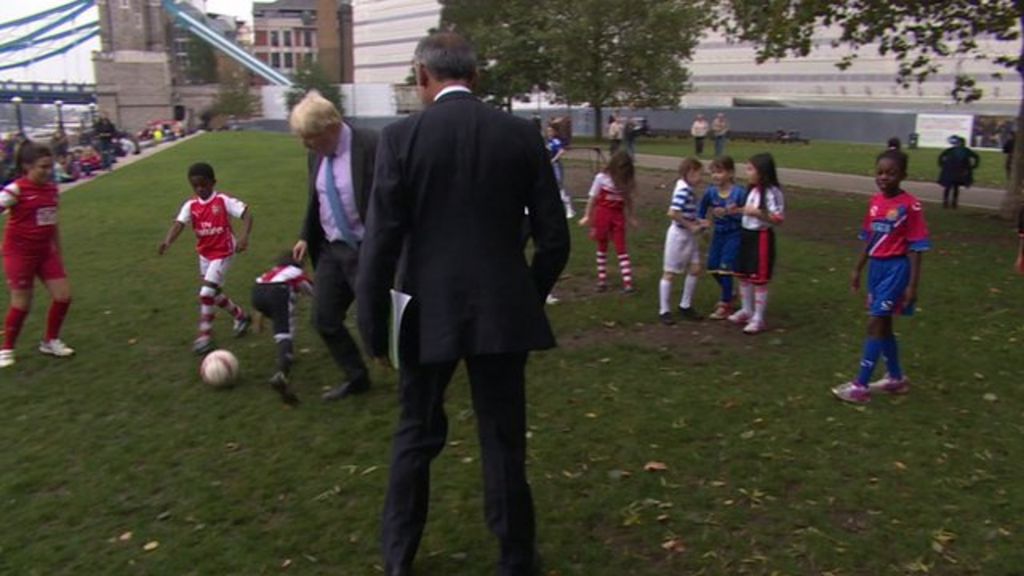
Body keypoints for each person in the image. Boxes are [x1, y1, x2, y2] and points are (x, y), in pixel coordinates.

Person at [356, 32, 569, 576]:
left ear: (423, 77)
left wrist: (374, 327)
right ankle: (516, 559)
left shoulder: (400, 138)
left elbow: (379, 242)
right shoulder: (520, 135)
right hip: (502, 310)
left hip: (424, 311)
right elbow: (554, 239)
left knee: (415, 433)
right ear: (473, 78)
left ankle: (399, 556)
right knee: (502, 440)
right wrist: (527, 294)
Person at [289, 90, 379, 402]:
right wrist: (304, 235)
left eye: (309, 137)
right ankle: (357, 378)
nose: (306, 144)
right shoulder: (315, 155)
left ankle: (417, 380)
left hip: (369, 250)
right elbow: (318, 200)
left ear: (330, 128)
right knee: (324, 319)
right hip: (332, 250)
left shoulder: (372, 145)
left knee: (377, 323)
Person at [832, 150, 930, 404]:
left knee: (875, 322)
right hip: (876, 269)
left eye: (891, 173)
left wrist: (912, 285)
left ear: (903, 176)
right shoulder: (875, 202)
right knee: (884, 324)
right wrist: (857, 268)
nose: (884, 177)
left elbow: (916, 248)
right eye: (880, 172)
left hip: (896, 270)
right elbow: (869, 238)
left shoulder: (911, 205)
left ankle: (860, 386)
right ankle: (896, 378)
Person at [157, 162, 253, 354]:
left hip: (224, 251)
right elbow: (179, 224)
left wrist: (243, 237)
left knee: (206, 293)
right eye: (195, 186)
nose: (200, 189)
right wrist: (167, 241)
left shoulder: (223, 201)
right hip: (205, 254)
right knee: (213, 293)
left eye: (204, 184)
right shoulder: (191, 205)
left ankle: (205, 336)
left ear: (213, 183)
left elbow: (248, 215)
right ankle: (240, 316)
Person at [0, 143, 75, 368]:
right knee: (22, 303)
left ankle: (50, 340)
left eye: (50, 166)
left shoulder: (52, 190)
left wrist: (58, 252)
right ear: (26, 166)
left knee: (63, 296)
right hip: (19, 254)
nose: (48, 171)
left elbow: (52, 224)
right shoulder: (15, 190)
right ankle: (6, 348)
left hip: (45, 252)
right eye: (42, 167)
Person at [729, 153, 786, 334]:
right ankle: (747, 310)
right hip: (746, 234)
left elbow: (778, 218)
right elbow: (748, 211)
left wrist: (758, 214)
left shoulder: (772, 193)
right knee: (742, 274)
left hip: (761, 237)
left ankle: (759, 317)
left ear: (762, 172)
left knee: (759, 279)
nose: (747, 172)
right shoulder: (752, 190)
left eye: (750, 168)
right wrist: (736, 210)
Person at [251, 252, 314, 405]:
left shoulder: (273, 271)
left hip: (257, 292)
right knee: (285, 330)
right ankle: (282, 373)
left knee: (286, 317)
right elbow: (313, 290)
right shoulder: (297, 272)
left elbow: (264, 289)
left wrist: (258, 320)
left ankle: (287, 354)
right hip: (278, 292)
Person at [579, 151, 638, 293]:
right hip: (602, 216)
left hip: (618, 218)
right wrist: (587, 215)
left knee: (621, 248)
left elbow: (628, 200)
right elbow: (592, 198)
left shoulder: (625, 182)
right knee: (602, 245)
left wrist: (630, 216)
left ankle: (628, 283)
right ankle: (602, 280)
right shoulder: (601, 178)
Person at [697, 156, 746, 319]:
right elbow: (702, 208)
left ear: (730, 173)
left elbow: (748, 213)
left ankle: (725, 304)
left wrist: (735, 212)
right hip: (718, 233)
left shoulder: (739, 193)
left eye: (720, 172)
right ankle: (730, 292)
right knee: (712, 266)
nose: (716, 176)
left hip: (734, 234)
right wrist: (702, 221)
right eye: (713, 172)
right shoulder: (711, 192)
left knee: (725, 268)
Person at [659, 157, 706, 324]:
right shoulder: (684, 190)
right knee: (670, 272)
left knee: (694, 269)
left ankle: (685, 305)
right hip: (679, 236)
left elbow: (685, 212)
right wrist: (691, 226)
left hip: (688, 235)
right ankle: (664, 310)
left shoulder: (686, 188)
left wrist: (698, 223)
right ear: (691, 173)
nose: (702, 178)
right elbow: (673, 212)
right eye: (700, 174)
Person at [937, 135, 980, 209]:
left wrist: (942, 164)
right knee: (952, 187)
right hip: (956, 171)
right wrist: (974, 166)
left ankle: (950, 202)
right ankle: (949, 202)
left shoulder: (954, 150)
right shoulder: (963, 150)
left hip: (955, 171)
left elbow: (941, 156)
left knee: (952, 187)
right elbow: (976, 157)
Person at [546, 124, 574, 218]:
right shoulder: (547, 141)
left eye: (550, 131)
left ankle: (569, 209)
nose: (548, 133)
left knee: (559, 186)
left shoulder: (556, 141)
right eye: (547, 131)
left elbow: (562, 151)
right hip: (547, 166)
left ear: (554, 132)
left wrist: (553, 160)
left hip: (555, 166)